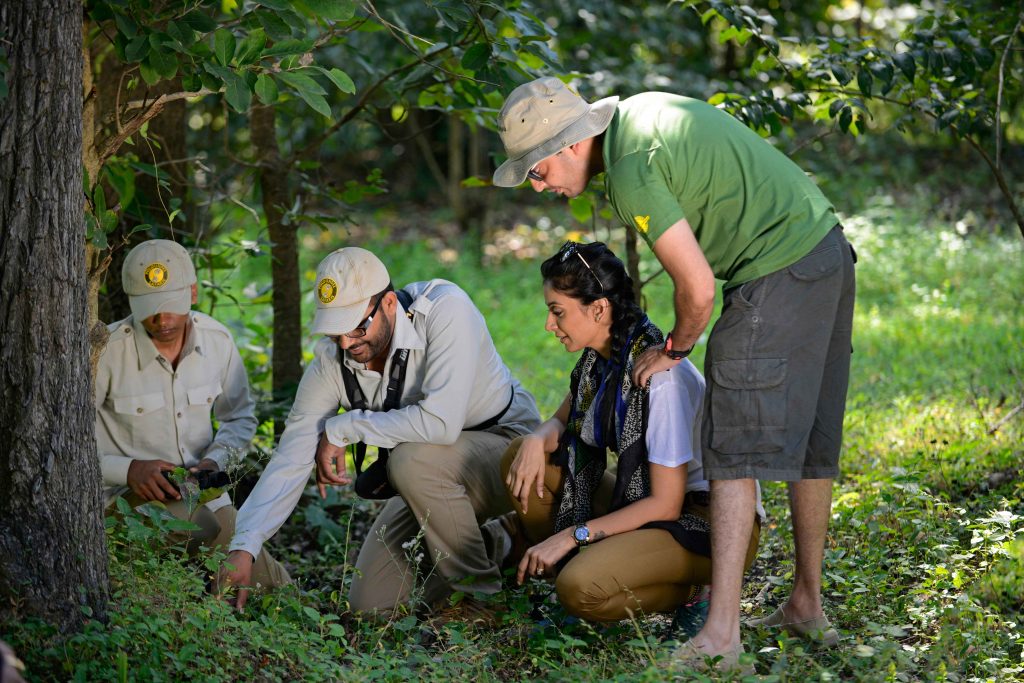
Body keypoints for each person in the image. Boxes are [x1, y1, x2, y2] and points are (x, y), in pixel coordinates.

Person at [493, 78, 856, 669]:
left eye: (536, 172)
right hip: (824, 247)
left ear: (565, 145)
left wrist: (676, 350)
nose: (540, 187)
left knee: (732, 448)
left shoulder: (632, 165)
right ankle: (806, 606)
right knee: (812, 439)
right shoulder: (641, 121)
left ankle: (721, 634)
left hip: (775, 268)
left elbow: (698, 287)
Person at [221, 247, 541, 616]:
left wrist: (343, 427)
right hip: (433, 480)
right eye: (334, 331)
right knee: (370, 606)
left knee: (410, 461)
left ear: (389, 303)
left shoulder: (445, 310)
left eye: (357, 325)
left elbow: (440, 423)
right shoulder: (333, 361)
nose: (346, 343)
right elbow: (291, 457)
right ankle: (501, 539)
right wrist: (243, 547)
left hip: (509, 453)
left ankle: (482, 601)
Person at [502, 241, 763, 624]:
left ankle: (696, 591)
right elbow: (559, 422)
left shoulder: (658, 378)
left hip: (706, 522)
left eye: (557, 312)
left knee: (579, 589)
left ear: (598, 308)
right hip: (649, 504)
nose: (549, 325)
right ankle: (608, 565)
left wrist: (573, 534)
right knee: (524, 457)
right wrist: (536, 438)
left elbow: (666, 505)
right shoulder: (600, 360)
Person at [95, 239, 290, 590]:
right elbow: (64, 441)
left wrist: (215, 461)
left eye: (171, 305)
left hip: (202, 492)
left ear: (193, 293)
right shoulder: (107, 352)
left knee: (267, 580)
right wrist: (129, 469)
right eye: (150, 307)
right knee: (203, 525)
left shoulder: (217, 341)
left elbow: (240, 418)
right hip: (123, 503)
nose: (162, 318)